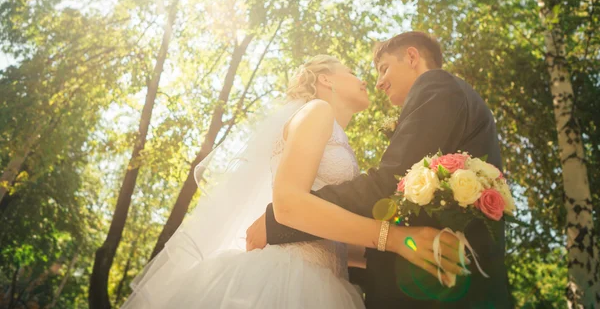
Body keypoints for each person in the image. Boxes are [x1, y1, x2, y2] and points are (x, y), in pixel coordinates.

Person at [122, 54, 463, 309]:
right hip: (284, 279)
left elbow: (333, 237)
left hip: (329, 282)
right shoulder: (317, 111)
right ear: (326, 80)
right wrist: (396, 239)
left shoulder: (338, 138)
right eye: (353, 72)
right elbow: (288, 206)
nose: (367, 81)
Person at [247, 32, 513, 308]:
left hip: (445, 285)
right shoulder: (319, 116)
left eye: (384, 68)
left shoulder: (436, 84)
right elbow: (396, 208)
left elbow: (390, 183)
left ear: (412, 57)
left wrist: (278, 222)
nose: (377, 82)